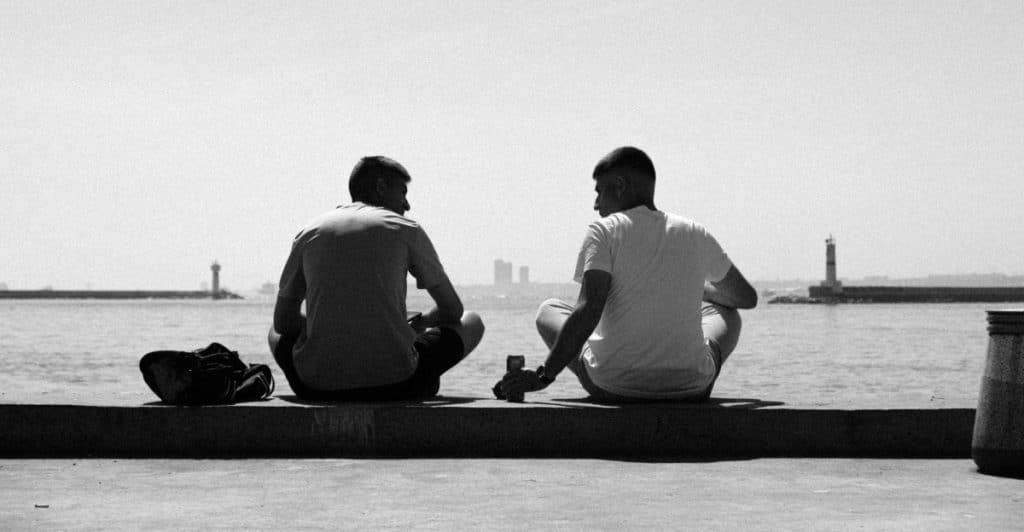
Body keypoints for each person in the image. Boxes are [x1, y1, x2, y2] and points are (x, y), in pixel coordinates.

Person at [495, 146, 757, 402]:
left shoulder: (604, 231)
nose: (596, 204)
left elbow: (588, 310)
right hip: (691, 387)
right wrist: (690, 287)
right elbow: (746, 298)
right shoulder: (694, 232)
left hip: (613, 386)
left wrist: (542, 377)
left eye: (599, 192)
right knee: (727, 314)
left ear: (619, 185)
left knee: (548, 309)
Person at [269, 155, 484, 400]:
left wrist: (329, 326)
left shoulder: (309, 232)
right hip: (397, 383)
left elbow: (283, 322)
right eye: (402, 193)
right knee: (472, 320)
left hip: (315, 386)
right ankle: (423, 380)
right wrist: (419, 323)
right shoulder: (405, 228)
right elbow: (452, 310)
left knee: (273, 333)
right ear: (381, 187)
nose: (407, 205)